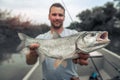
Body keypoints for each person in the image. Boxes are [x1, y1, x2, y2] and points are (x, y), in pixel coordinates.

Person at [26, 3, 89, 80]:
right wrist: (33, 54)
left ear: (64, 17)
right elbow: (29, 62)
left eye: (60, 15)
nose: (57, 17)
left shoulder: (74, 34)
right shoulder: (40, 38)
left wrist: (82, 58)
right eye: (54, 14)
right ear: (49, 16)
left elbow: (84, 59)